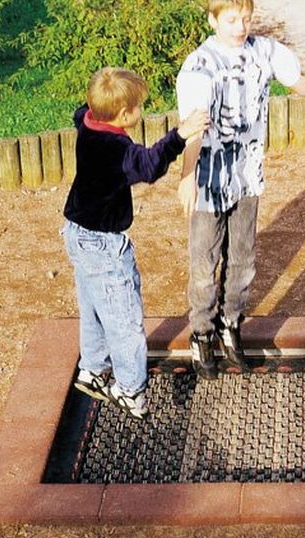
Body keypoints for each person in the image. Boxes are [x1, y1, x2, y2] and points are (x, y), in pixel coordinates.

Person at [176, 0, 305, 379]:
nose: (240, 27)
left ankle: (229, 326)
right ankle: (201, 333)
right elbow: (195, 125)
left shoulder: (263, 51)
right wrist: (188, 177)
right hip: (209, 181)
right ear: (213, 19)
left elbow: (300, 82)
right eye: (231, 20)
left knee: (243, 259)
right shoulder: (199, 67)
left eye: (246, 19)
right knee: (204, 263)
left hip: (247, 176)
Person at [63, 67, 208, 419]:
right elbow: (148, 166)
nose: (140, 111)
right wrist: (181, 134)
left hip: (76, 233)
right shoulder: (115, 148)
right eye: (137, 106)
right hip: (103, 245)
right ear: (125, 115)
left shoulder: (88, 122)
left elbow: (78, 112)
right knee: (124, 318)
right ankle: (129, 390)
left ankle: (94, 368)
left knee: (94, 307)